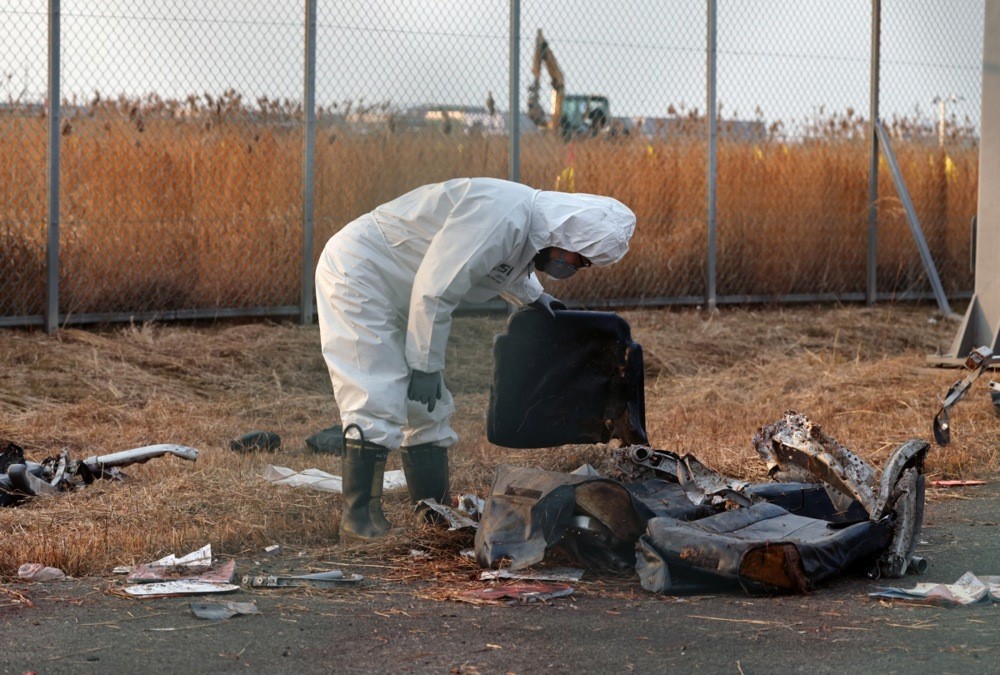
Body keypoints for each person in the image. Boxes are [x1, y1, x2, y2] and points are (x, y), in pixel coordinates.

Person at [315, 177, 636, 541]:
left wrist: (535, 297)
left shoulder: (528, 228)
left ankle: (431, 510)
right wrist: (425, 365)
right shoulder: (502, 215)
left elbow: (498, 266)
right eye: (579, 258)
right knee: (376, 390)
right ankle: (359, 521)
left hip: (405, 288)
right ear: (567, 233)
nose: (575, 267)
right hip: (361, 273)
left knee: (429, 407)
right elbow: (437, 289)